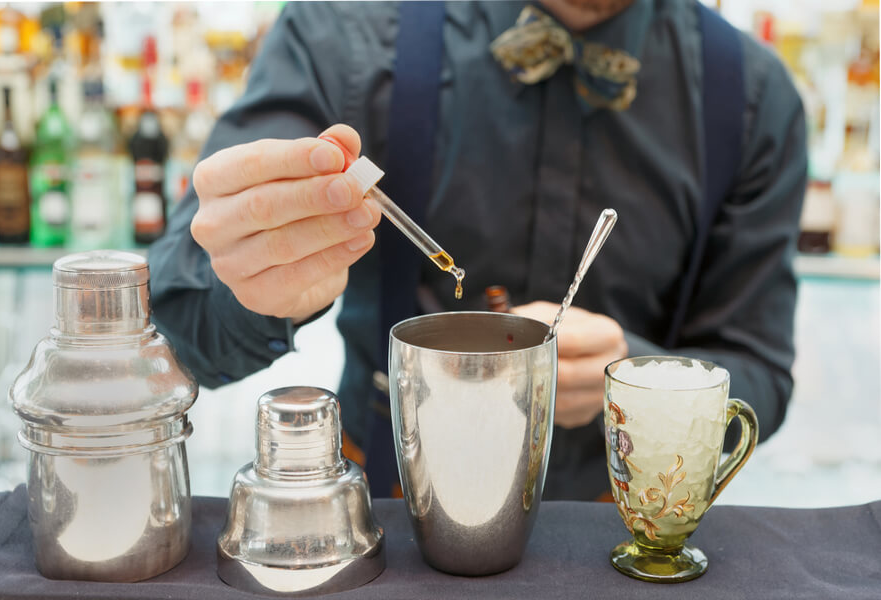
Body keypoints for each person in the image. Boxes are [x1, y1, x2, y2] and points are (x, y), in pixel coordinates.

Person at [148, 0, 807, 500]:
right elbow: (178, 333)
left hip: (620, 534)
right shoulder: (343, 32)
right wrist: (250, 280)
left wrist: (647, 382)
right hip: (390, 515)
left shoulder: (750, 97)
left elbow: (758, 375)